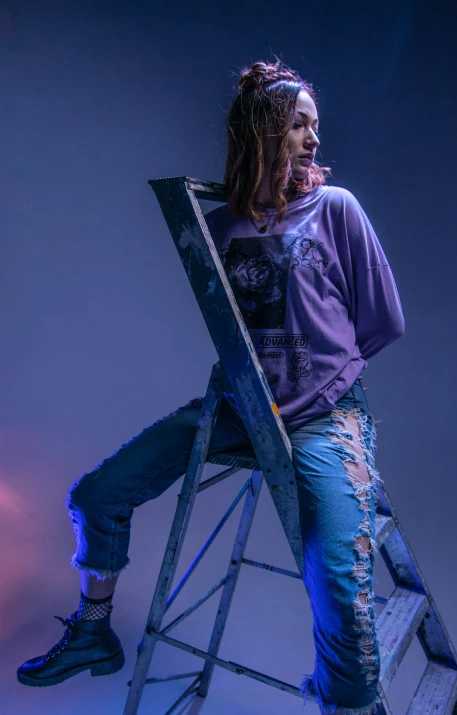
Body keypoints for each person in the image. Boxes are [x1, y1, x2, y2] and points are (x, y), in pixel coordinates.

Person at [17, 59, 405, 715]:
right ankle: (92, 632)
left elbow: (383, 321)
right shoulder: (221, 224)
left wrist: (314, 385)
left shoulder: (336, 209)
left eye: (316, 126)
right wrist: (261, 395)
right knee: (97, 494)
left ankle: (348, 703)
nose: (313, 139)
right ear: (262, 134)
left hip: (321, 419)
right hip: (238, 410)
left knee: (340, 587)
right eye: (298, 126)